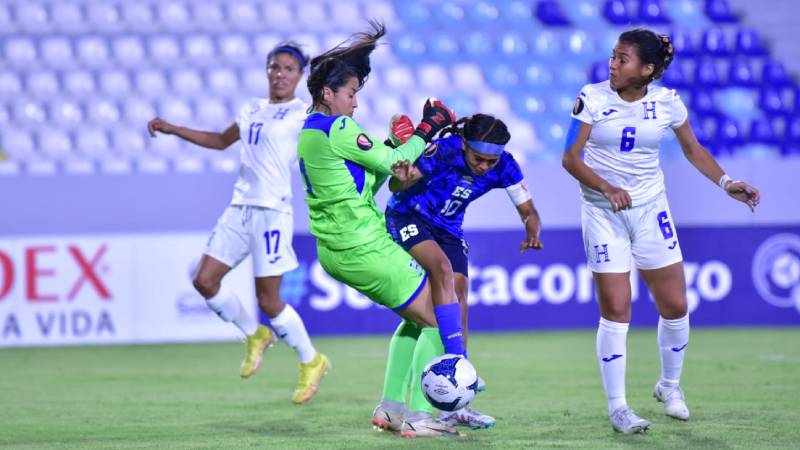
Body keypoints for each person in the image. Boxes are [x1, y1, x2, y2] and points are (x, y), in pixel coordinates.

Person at [562, 28, 761, 434]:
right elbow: (570, 157)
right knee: (617, 310)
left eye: (623, 59)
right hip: (603, 213)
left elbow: (693, 149)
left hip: (652, 210)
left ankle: (669, 387)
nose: (613, 64)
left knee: (675, 305)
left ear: (647, 69)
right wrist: (606, 187)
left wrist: (727, 183)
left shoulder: (667, 103)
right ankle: (618, 409)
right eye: (613, 56)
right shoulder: (592, 97)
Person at [296, 21, 467, 438]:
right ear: (327, 94)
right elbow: (393, 169)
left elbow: (368, 180)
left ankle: (391, 410)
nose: (355, 104)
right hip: (362, 246)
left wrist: (396, 150)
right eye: (351, 94)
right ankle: (420, 413)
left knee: (416, 316)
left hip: (339, 248)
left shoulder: (310, 133)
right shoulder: (337, 128)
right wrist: (429, 127)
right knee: (436, 319)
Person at [146, 42, 330, 405]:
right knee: (204, 279)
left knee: (269, 299)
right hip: (239, 208)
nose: (280, 74)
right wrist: (172, 128)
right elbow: (218, 140)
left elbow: (331, 136)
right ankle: (253, 334)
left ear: (299, 76)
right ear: (267, 70)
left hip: (272, 212)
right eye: (275, 67)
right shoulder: (251, 109)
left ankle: (312, 360)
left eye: (289, 69)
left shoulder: (303, 114)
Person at [382, 113, 544, 429]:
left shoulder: (505, 164)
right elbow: (395, 183)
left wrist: (532, 230)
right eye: (478, 159)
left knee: (458, 296)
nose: (485, 166)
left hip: (448, 230)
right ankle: (459, 363)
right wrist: (405, 176)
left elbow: (528, 210)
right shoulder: (442, 151)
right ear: (464, 144)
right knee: (441, 271)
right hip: (407, 216)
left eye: (490, 161)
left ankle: (453, 404)